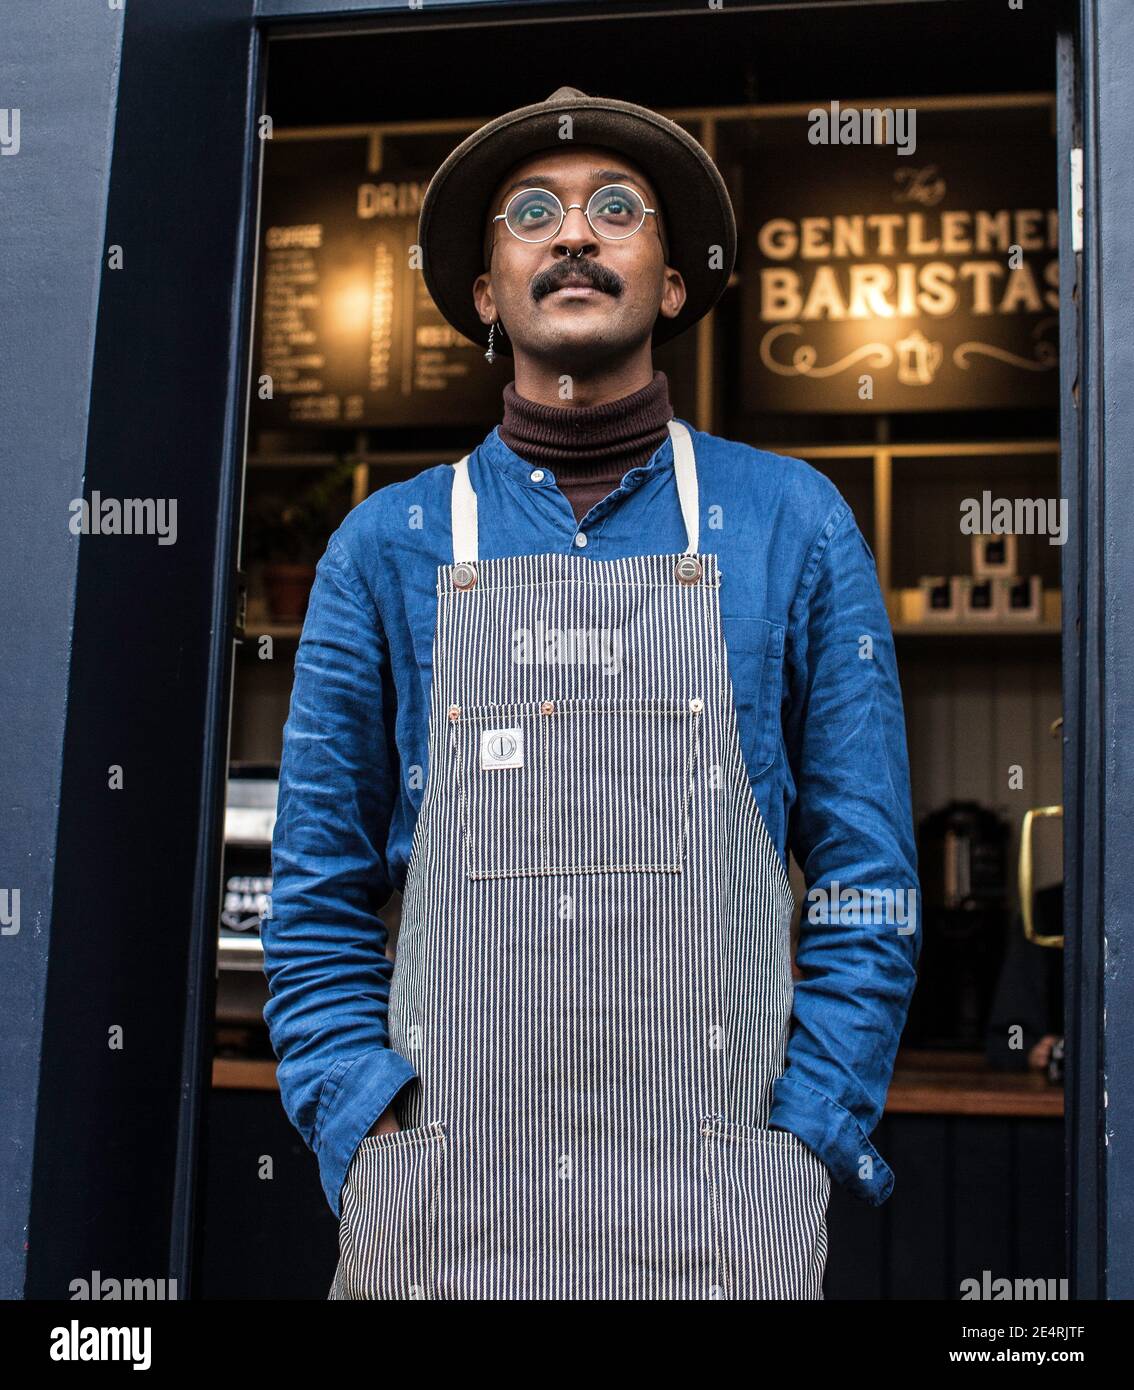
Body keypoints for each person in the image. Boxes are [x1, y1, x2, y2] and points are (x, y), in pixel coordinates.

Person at [260, 87, 921, 1301]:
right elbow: (314, 898)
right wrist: (367, 1131)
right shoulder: (389, 546)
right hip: (439, 1220)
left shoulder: (788, 524)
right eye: (532, 214)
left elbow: (866, 880)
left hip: (723, 1219)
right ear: (482, 291)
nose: (575, 234)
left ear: (671, 282)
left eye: (618, 209)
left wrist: (805, 1131)